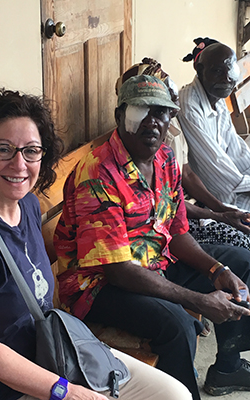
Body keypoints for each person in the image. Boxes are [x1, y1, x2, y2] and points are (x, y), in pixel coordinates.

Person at [0, 88, 192, 400]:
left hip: (52, 352)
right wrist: (66, 391)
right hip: (0, 386)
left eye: (31, 150)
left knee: (173, 394)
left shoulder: (27, 207)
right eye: (3, 149)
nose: (19, 164)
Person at [54, 74, 250, 399]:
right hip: (99, 287)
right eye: (141, 110)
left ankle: (227, 366)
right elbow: (118, 270)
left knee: (241, 263)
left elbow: (178, 232)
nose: (153, 121)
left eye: (161, 112)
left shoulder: (164, 159)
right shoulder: (98, 172)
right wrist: (197, 300)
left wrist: (217, 271)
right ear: (120, 116)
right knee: (178, 326)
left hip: (153, 263)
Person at [116, 57, 250, 251]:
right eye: (145, 109)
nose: (173, 91)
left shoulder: (167, 140)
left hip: (184, 217)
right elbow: (164, 207)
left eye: (169, 85)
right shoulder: (142, 144)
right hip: (167, 231)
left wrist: (221, 211)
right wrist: (220, 213)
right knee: (241, 243)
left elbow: (183, 179)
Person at [178, 42, 250, 211]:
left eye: (230, 71)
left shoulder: (215, 96)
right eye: (217, 71)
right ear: (199, 69)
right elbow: (216, 169)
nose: (226, 79)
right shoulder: (189, 107)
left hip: (236, 186)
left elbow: (236, 148)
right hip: (221, 199)